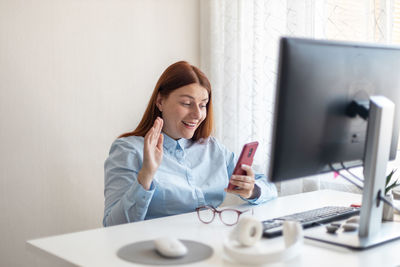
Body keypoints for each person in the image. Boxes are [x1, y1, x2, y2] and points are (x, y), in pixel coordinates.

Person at [103, 61, 277, 227]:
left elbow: (270, 187)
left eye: (203, 105)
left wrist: (252, 190)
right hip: (161, 250)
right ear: (160, 101)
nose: (197, 114)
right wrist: (146, 175)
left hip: (212, 244)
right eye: (187, 103)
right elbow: (113, 226)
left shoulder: (212, 148)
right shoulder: (128, 150)